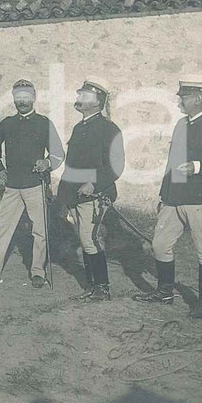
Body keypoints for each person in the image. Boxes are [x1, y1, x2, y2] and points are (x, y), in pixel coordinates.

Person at [133, 75, 202, 319]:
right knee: (159, 245)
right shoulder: (181, 125)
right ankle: (165, 292)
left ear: (198, 99)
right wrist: (164, 195)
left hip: (201, 199)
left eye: (185, 97)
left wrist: (198, 167)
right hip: (174, 198)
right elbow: (171, 164)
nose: (180, 100)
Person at [0, 80, 64, 288]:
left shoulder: (43, 123)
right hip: (12, 187)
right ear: (13, 98)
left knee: (39, 231)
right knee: (1, 229)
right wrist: (0, 170)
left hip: (34, 185)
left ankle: (38, 272)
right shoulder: (7, 124)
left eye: (25, 97)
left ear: (34, 98)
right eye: (18, 97)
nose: (21, 101)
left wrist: (47, 163)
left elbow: (58, 153)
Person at [56, 79, 125, 301]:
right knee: (85, 239)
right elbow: (72, 165)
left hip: (94, 195)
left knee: (90, 239)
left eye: (84, 95)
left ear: (97, 102)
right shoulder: (79, 127)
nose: (78, 98)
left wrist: (94, 183)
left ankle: (102, 288)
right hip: (75, 195)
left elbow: (116, 167)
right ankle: (92, 286)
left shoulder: (109, 129)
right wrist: (64, 195)